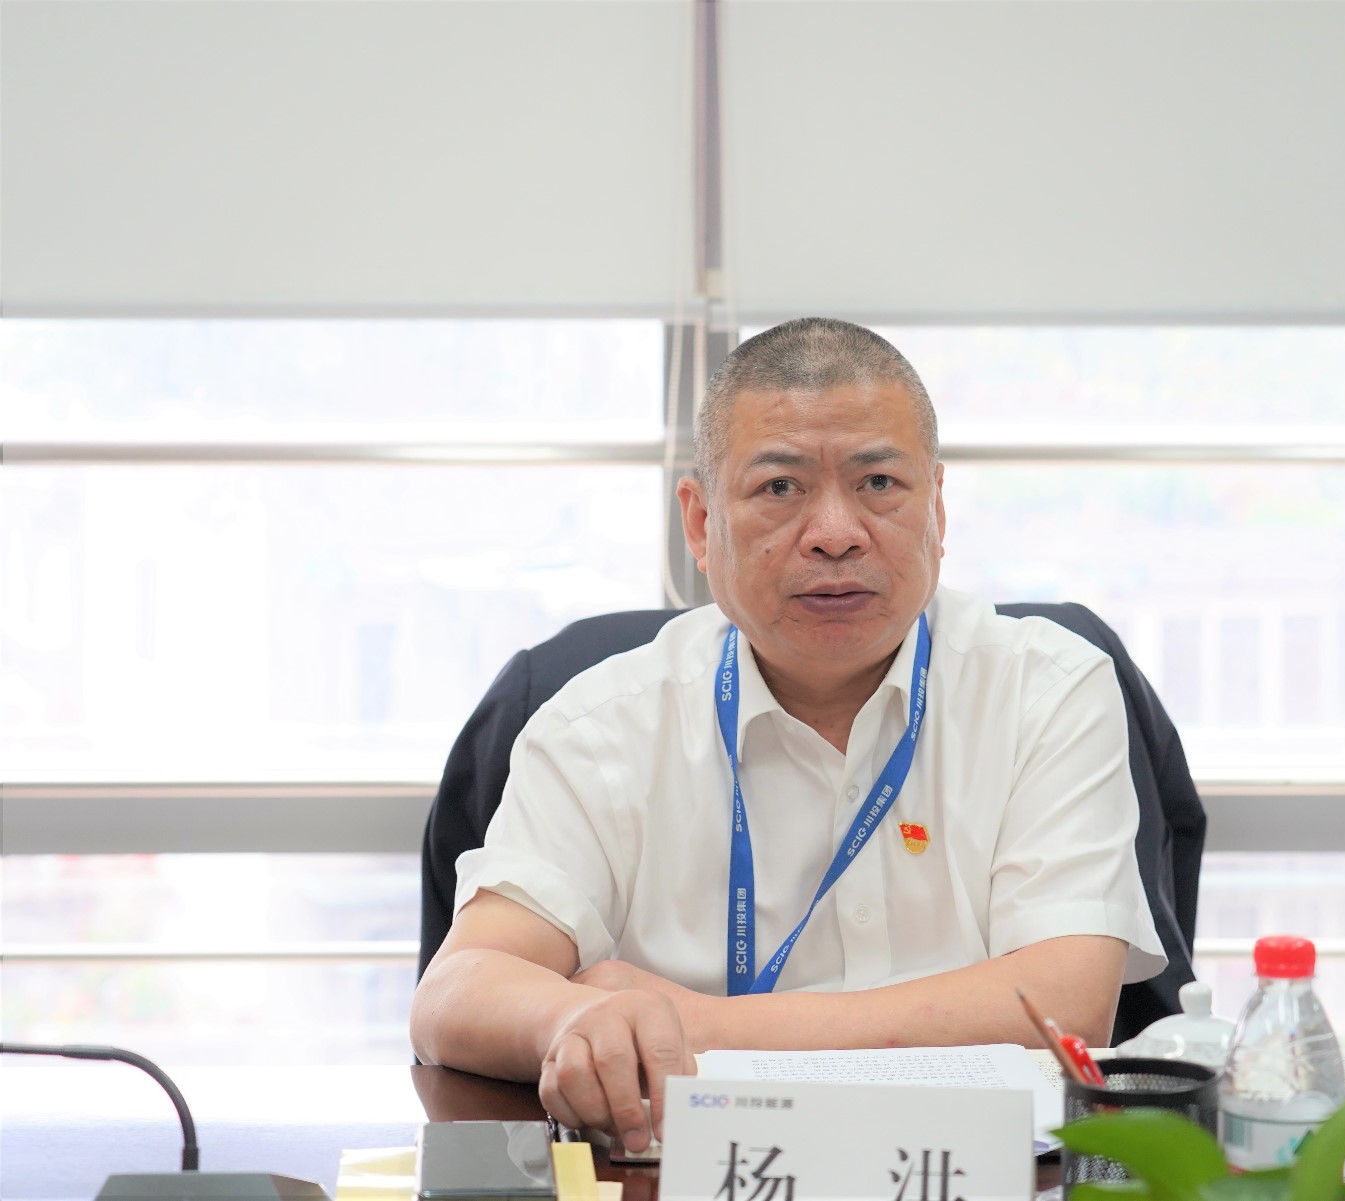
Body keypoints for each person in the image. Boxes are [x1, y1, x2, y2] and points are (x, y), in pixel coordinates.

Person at [410, 317, 1164, 1152]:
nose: (836, 532)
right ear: (700, 524)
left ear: (938, 508)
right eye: (780, 487)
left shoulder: (1047, 688)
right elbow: (455, 992)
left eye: (879, 482)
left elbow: (1063, 1006)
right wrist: (573, 1019)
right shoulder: (601, 723)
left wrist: (691, 1025)